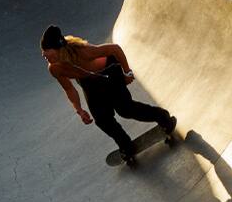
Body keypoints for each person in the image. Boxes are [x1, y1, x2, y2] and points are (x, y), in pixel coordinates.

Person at [40, 25, 176, 161]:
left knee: (126, 109)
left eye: (46, 50)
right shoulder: (54, 69)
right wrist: (79, 110)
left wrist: (127, 72)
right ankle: (125, 145)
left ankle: (163, 117)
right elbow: (69, 89)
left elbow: (114, 49)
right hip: (89, 83)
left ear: (57, 50)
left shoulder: (82, 52)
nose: (43, 54)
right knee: (102, 120)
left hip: (109, 71)